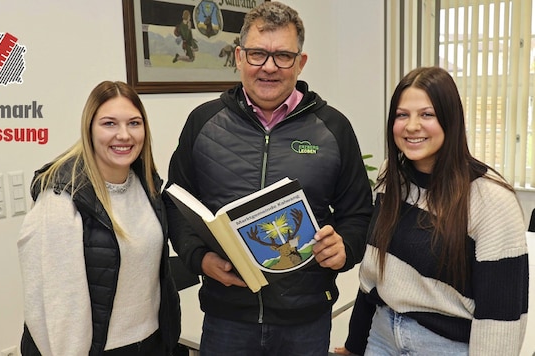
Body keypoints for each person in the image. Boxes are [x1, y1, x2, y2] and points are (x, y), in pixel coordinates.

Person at [163, 2, 373, 355]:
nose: (269, 67)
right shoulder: (202, 123)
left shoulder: (334, 128)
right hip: (226, 317)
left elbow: (360, 214)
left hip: (306, 321)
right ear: (240, 57)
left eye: (283, 56)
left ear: (301, 62)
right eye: (258, 54)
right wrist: (199, 259)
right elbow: (177, 205)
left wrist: (346, 248)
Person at [335, 66, 529, 356]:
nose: (412, 126)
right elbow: (374, 272)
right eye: (402, 115)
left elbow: (501, 317)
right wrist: (355, 344)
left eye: (427, 114)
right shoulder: (393, 177)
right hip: (382, 335)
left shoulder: (489, 198)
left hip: (444, 346)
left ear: (450, 120)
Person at [17, 81, 181, 356]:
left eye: (134, 123)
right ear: (89, 129)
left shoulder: (146, 183)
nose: (124, 135)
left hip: (151, 342)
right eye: (109, 124)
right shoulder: (60, 199)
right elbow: (57, 309)